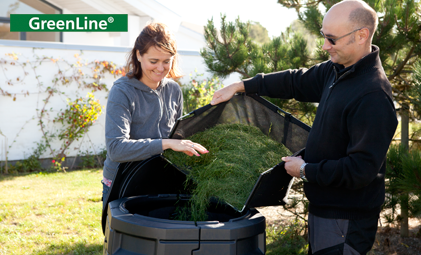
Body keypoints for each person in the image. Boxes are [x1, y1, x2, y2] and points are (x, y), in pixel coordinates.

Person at [210, 0, 398, 254]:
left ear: (361, 35)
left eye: (332, 39)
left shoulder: (373, 95)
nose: (324, 46)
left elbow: (360, 170)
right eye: (323, 36)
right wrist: (241, 86)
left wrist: (306, 170)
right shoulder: (337, 70)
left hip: (345, 219)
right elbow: (294, 82)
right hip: (324, 211)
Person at [102, 22, 208, 210]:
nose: (160, 68)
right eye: (154, 61)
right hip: (123, 180)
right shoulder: (122, 91)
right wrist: (165, 144)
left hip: (160, 178)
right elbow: (116, 149)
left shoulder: (173, 89)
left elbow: (177, 136)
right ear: (138, 55)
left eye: (166, 61)